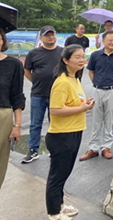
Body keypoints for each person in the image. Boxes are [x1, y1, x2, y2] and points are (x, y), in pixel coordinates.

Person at [45, 45, 95, 220]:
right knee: (57, 176)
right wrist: (81, 108)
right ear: (65, 60)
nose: (82, 60)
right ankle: (54, 213)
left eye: (83, 56)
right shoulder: (62, 82)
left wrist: (85, 104)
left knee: (64, 173)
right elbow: (55, 110)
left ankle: (59, 205)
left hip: (75, 130)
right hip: (62, 135)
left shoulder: (75, 79)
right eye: (77, 57)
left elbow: (75, 103)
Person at [80, 30, 113, 161]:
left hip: (112, 91)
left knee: (109, 120)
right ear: (104, 41)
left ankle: (106, 147)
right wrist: (97, 83)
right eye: (110, 40)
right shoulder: (95, 55)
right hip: (97, 91)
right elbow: (91, 72)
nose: (112, 43)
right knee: (96, 120)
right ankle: (93, 148)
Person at [22, 25, 63, 164]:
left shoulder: (62, 53)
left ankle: (56, 149)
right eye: (47, 35)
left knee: (55, 124)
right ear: (41, 38)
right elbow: (27, 71)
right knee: (35, 124)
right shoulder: (34, 53)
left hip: (57, 95)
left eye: (53, 34)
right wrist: (36, 82)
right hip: (38, 94)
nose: (51, 37)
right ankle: (33, 150)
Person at [0, 28, 25, 189]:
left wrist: (17, 125)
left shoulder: (13, 64)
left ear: (3, 41)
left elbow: (17, 96)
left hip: (3, 115)